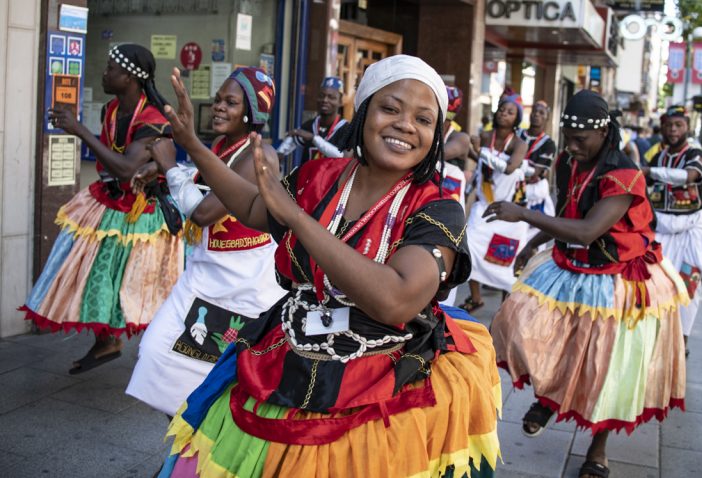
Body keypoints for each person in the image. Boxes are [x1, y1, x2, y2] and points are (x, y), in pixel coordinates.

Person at [157, 55, 501, 477]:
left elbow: (394, 300)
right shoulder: (318, 176)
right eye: (390, 108)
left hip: (385, 377)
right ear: (364, 111)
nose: (405, 125)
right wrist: (193, 145)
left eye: (423, 119)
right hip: (288, 351)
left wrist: (299, 219)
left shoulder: (438, 209)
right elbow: (254, 206)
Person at [488, 90, 688, 478]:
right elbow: (569, 212)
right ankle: (550, 397)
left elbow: (587, 230)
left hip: (619, 279)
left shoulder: (624, 174)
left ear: (603, 133)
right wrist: (532, 244)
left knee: (607, 366)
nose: (572, 147)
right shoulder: (569, 161)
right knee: (519, 324)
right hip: (573, 263)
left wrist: (523, 215)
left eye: (580, 140)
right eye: (568, 138)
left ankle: (598, 449)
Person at [125, 67, 286, 416]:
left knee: (220, 376)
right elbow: (206, 180)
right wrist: (167, 169)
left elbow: (203, 212)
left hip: (245, 283)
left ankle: (199, 441)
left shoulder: (259, 155)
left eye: (231, 102)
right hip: (204, 272)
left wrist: (171, 165)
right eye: (217, 100)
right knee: (157, 352)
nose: (219, 107)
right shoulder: (223, 146)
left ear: (252, 112)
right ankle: (184, 436)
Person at [20, 44, 183, 374]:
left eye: (111, 69)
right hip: (111, 202)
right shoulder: (111, 109)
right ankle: (107, 341)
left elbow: (126, 168)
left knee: (145, 285)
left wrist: (79, 131)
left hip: (144, 211)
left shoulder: (153, 119)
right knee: (97, 272)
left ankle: (167, 354)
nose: (104, 73)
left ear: (130, 78)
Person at [643, 105, 702, 350]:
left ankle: (682, 341)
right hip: (661, 228)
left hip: (690, 230)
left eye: (678, 125)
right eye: (669, 125)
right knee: (655, 282)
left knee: (689, 284)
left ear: (687, 127)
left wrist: (650, 172)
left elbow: (690, 176)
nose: (673, 130)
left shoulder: (696, 154)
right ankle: (658, 338)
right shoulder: (658, 156)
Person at [461, 93, 528, 312]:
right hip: (484, 205)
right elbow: (480, 163)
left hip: (509, 211)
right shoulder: (485, 135)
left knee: (506, 261)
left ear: (517, 119)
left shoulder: (519, 144)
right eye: (502, 109)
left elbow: (509, 168)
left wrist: (480, 151)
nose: (504, 114)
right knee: (468, 247)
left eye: (510, 112)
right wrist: (471, 150)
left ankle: (504, 307)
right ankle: (476, 297)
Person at [440, 86, 471, 307]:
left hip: (450, 201)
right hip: (424, 196)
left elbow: (441, 153)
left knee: (448, 243)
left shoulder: (459, 137)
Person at [276, 76, 350, 167]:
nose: (325, 100)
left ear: (340, 101)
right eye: (321, 96)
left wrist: (314, 139)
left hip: (334, 176)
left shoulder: (347, 129)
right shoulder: (310, 125)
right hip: (308, 176)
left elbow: (343, 157)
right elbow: (285, 148)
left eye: (331, 97)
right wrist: (278, 156)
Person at [520, 100, 556, 243]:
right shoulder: (518, 134)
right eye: (534, 111)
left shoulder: (548, 144)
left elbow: (535, 172)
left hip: (532, 194)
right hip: (511, 190)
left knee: (529, 238)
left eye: (541, 113)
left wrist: (513, 166)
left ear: (547, 118)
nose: (536, 115)